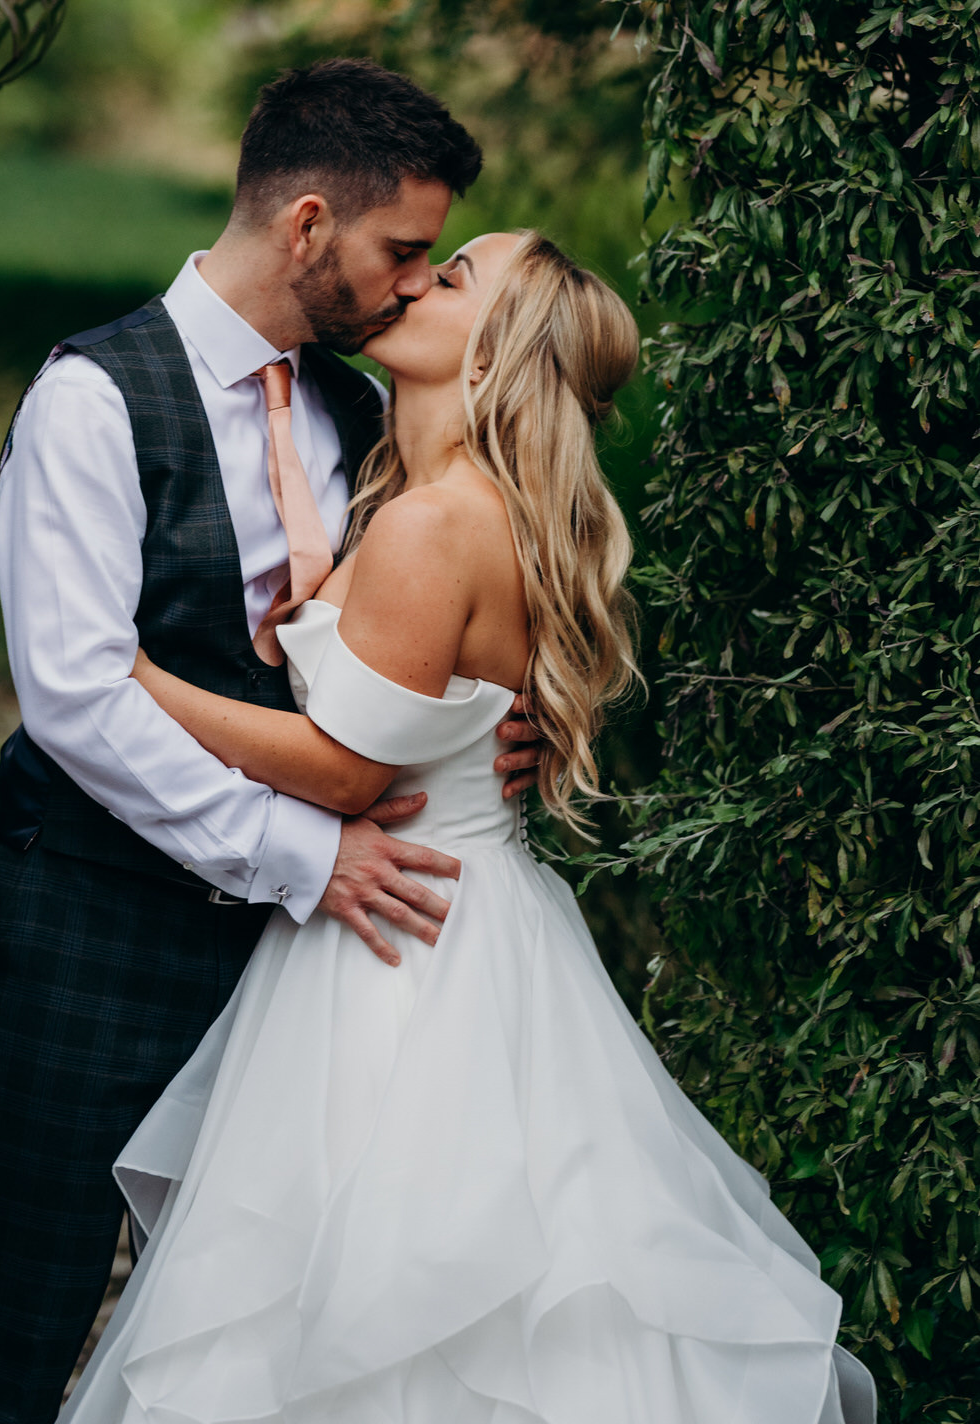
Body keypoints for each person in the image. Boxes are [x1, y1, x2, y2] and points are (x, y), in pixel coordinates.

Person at [60, 230, 877, 1424]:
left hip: (404, 941)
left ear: (497, 352)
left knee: (386, 1298)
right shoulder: (433, 498)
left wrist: (131, 673)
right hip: (466, 910)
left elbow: (345, 774)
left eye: (455, 276)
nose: (418, 278)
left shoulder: (435, 523)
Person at [0, 60, 546, 1424]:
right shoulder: (92, 399)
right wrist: (303, 854)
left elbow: (427, 628)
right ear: (309, 225)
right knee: (26, 1308)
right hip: (89, 924)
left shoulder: (361, 411)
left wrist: (498, 732)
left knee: (259, 1327)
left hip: (294, 973)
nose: (409, 284)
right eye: (402, 251)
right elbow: (77, 699)